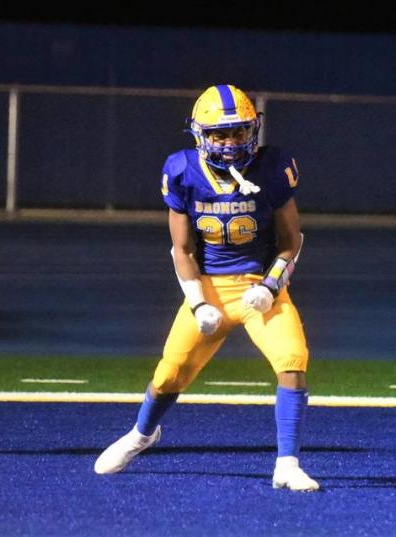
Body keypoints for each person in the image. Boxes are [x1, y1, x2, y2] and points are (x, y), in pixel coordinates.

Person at [94, 85, 319, 491]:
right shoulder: (182, 170)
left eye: (237, 132)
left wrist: (270, 286)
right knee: (169, 375)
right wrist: (198, 304)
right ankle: (143, 434)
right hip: (209, 288)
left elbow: (291, 242)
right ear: (202, 135)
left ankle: (287, 462)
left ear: (252, 130)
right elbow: (182, 249)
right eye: (220, 134)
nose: (230, 142)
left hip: (259, 289)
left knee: (292, 358)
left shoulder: (272, 167)